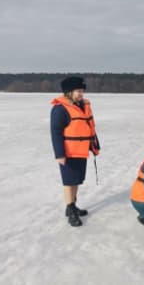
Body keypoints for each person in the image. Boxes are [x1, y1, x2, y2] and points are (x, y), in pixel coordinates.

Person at [50, 77, 100, 227]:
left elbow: (88, 127)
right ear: (69, 92)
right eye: (78, 91)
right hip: (68, 152)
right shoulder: (60, 109)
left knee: (77, 180)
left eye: (82, 91)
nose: (81, 94)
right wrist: (60, 154)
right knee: (69, 182)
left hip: (81, 150)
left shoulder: (82, 106)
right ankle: (70, 209)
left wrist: (94, 145)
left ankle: (72, 205)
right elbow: (55, 133)